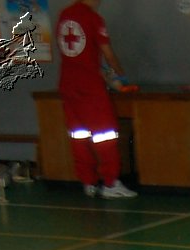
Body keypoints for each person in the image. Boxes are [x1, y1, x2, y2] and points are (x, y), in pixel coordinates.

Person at [55, 0, 138, 199]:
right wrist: (121, 76)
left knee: (79, 135)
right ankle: (110, 182)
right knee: (105, 134)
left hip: (68, 84)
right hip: (90, 87)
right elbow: (107, 52)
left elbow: (79, 55)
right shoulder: (93, 18)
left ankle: (88, 181)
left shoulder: (64, 15)